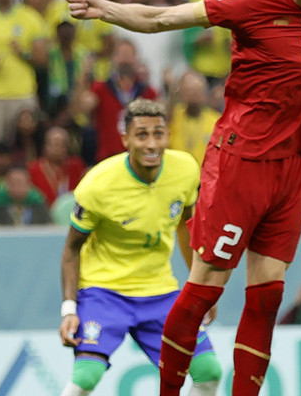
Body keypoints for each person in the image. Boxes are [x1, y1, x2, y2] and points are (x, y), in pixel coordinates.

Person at [65, 0, 301, 396]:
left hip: (292, 164)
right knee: (207, 287)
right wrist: (104, 8)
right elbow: (163, 18)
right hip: (241, 162)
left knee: (268, 295)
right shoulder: (251, 2)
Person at [58, 99, 221, 396]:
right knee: (86, 377)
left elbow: (188, 228)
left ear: (168, 136)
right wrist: (69, 309)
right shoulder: (98, 184)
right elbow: (71, 249)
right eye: (142, 135)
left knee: (209, 372)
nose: (151, 144)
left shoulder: (185, 169)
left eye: (158, 134)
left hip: (160, 291)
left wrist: (201, 288)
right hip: (104, 292)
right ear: (126, 139)